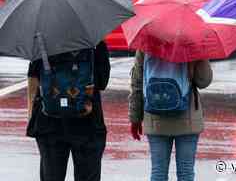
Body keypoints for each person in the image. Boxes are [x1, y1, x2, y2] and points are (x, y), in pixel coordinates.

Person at [26, 41, 110, 181]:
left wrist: (31, 116)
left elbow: (33, 78)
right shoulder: (93, 38)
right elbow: (102, 81)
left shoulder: (42, 38)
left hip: (49, 123)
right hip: (88, 123)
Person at [129, 51, 213, 181]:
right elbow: (203, 81)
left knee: (158, 172)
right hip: (187, 118)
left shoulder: (146, 42)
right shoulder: (192, 43)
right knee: (186, 172)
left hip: (154, 116)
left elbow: (137, 83)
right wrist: (201, 54)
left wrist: (135, 118)